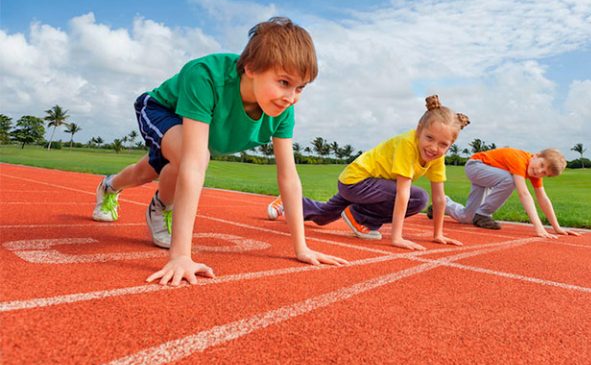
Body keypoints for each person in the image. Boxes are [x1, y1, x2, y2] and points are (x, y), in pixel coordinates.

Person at [91, 16, 348, 286]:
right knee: (192, 158)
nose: (291, 96)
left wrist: (301, 248)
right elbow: (193, 162)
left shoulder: (283, 109)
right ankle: (159, 207)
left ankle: (110, 186)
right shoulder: (205, 76)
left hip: (196, 134)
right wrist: (181, 256)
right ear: (250, 68)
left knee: (146, 171)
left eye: (300, 88)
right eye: (284, 82)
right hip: (161, 109)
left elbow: (288, 177)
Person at [267, 96, 470, 251]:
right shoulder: (407, 145)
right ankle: (360, 218)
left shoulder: (436, 157)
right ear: (419, 130)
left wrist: (438, 234)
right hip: (357, 182)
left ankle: (287, 202)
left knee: (322, 217)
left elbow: (440, 198)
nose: (434, 147)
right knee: (418, 198)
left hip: (371, 187)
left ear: (450, 145)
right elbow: (402, 193)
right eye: (429, 138)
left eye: (443, 144)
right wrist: (396, 238)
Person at [436, 147, 580, 238]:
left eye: (544, 173)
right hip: (476, 166)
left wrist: (556, 227)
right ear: (536, 155)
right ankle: (483, 214)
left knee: (466, 217)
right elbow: (524, 193)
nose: (539, 171)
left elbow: (543, 198)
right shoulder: (519, 159)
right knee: (510, 180)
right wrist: (538, 227)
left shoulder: (534, 173)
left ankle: (442, 204)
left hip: (487, 173)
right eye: (541, 165)